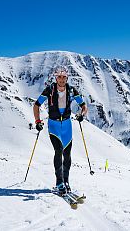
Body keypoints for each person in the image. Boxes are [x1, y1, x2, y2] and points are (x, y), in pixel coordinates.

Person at [33, 66, 88, 194]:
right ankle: (59, 182)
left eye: (64, 77)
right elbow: (36, 105)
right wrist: (37, 121)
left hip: (67, 126)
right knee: (58, 150)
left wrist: (82, 114)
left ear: (67, 78)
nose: (62, 79)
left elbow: (83, 106)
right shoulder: (50, 90)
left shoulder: (72, 91)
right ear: (56, 78)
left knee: (67, 155)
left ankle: (66, 181)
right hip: (53, 125)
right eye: (59, 77)